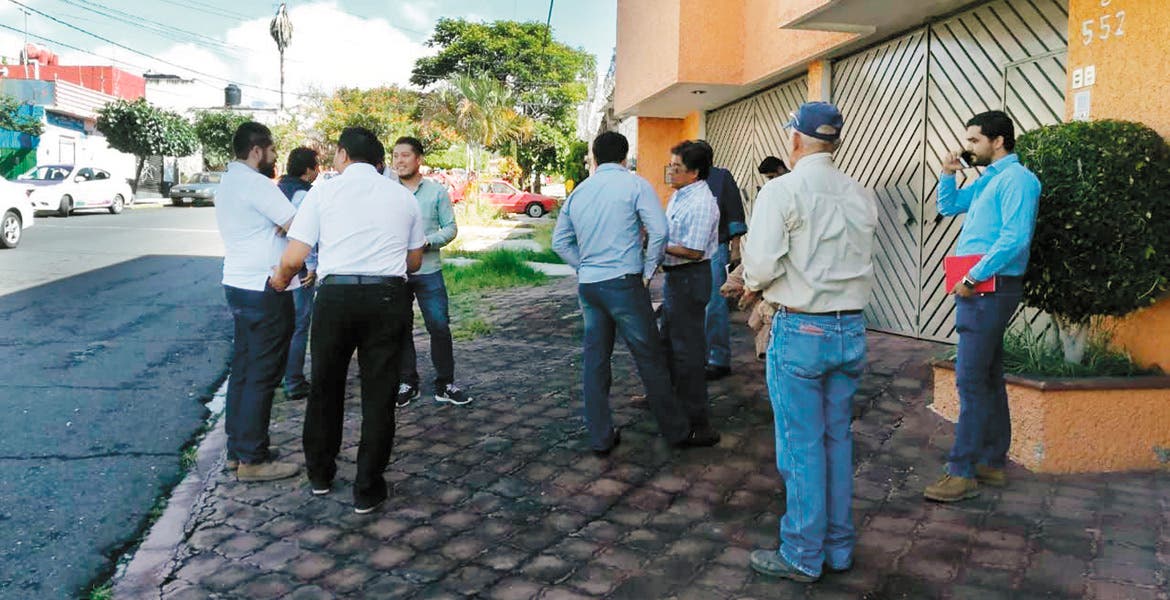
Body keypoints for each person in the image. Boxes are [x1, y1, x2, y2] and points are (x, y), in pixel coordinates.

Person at [743, 102, 877, 582]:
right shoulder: (860, 192)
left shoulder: (781, 190)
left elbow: (760, 267)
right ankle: (838, 548)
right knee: (836, 440)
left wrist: (757, 283)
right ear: (834, 141)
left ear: (796, 140)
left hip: (801, 330)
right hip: (851, 330)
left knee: (801, 446)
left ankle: (802, 553)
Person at [271, 127, 425, 514]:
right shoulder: (403, 197)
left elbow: (294, 257)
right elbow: (414, 261)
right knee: (379, 394)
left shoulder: (323, 192)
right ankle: (367, 489)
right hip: (387, 298)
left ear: (342, 154)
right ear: (380, 161)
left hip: (336, 297)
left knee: (325, 387)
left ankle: (321, 476)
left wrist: (279, 281)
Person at [551, 132, 694, 455]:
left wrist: (583, 267)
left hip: (590, 287)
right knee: (649, 357)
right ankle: (676, 431)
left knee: (595, 361)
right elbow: (659, 231)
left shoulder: (579, 192)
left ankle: (600, 437)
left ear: (594, 158)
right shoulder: (635, 185)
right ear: (625, 157)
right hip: (624, 283)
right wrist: (648, 269)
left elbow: (559, 242)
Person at [924, 110, 1040, 503]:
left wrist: (973, 278)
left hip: (989, 287)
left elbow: (1014, 238)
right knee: (987, 377)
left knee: (970, 380)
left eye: (974, 140)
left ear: (998, 141)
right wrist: (947, 173)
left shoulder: (1017, 180)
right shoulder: (990, 179)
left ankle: (962, 472)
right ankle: (991, 462)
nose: (968, 147)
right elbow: (949, 205)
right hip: (980, 285)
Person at [214, 122, 301, 482]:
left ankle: (238, 451)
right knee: (264, 373)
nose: (275, 155)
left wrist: (284, 223)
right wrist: (291, 222)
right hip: (266, 286)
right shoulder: (257, 184)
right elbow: (301, 227)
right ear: (256, 150)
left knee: (245, 368)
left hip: (238, 283)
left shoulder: (228, 182)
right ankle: (253, 459)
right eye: (272, 149)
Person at [391, 136, 472, 407]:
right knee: (400, 327)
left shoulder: (436, 191)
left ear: (419, 159)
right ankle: (407, 382)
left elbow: (450, 228)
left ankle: (445, 384)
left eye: (405, 155)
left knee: (439, 326)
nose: (399, 161)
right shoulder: (387, 191)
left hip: (429, 270)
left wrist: (427, 242)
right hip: (397, 272)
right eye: (395, 156)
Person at [661, 140, 722, 447]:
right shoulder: (681, 195)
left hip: (689, 277)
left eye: (677, 168)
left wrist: (656, 244)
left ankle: (698, 422)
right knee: (668, 344)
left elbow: (694, 251)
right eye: (670, 166)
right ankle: (666, 400)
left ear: (695, 172)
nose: (670, 172)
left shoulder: (701, 203)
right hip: (676, 278)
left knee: (688, 353)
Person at [694, 140, 747, 381]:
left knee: (714, 305)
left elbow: (734, 211)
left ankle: (718, 359)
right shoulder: (689, 179)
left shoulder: (721, 177)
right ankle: (698, 356)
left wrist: (735, 248)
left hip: (716, 247)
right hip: (690, 250)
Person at [277, 147, 320, 401]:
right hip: (299, 267)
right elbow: (306, 236)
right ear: (307, 170)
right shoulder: (304, 194)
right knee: (299, 324)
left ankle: (278, 375)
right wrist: (313, 266)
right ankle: (293, 381)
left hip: (276, 264)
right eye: (316, 166)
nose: (318, 171)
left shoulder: (279, 188)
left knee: (281, 324)